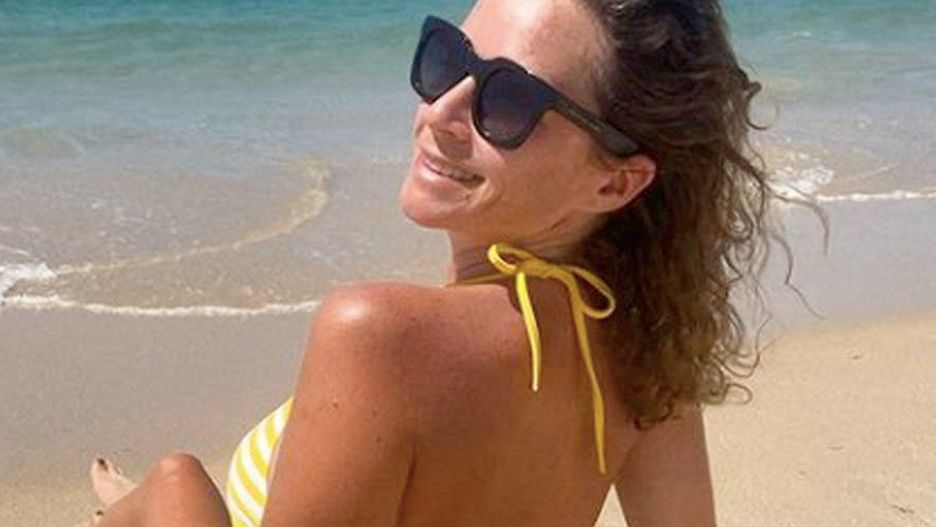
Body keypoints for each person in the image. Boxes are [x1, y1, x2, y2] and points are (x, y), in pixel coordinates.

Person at [77, 0, 777, 525]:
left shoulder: (379, 336)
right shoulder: (645, 348)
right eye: (447, 59)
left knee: (177, 481)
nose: (442, 110)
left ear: (616, 182)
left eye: (509, 100)